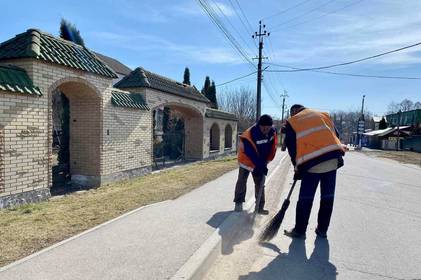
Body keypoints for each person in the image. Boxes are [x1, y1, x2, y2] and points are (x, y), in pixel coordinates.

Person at [283, 104, 346, 239]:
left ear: (294, 112)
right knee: (327, 198)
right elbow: (336, 135)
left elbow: (292, 147)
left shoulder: (293, 121)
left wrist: (297, 167)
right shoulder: (324, 115)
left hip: (312, 165)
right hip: (332, 161)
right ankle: (322, 230)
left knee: (305, 199)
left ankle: (300, 231)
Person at [234, 114, 277, 215]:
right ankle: (238, 202)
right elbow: (251, 153)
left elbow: (270, 147)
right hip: (246, 159)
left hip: (260, 160)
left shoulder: (272, 132)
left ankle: (259, 207)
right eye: (264, 128)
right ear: (259, 125)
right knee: (242, 181)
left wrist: (264, 163)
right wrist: (260, 166)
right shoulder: (251, 133)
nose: (266, 130)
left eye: (268, 128)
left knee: (260, 182)